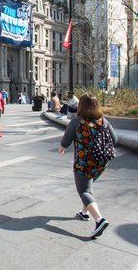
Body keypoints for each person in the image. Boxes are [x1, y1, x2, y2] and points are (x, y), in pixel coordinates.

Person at [58, 94, 117, 239]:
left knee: (84, 190)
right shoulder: (103, 121)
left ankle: (99, 220)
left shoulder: (77, 121)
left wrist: (62, 147)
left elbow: (66, 140)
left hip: (84, 163)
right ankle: (84, 213)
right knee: (88, 186)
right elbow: (115, 139)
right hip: (101, 162)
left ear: (81, 106)